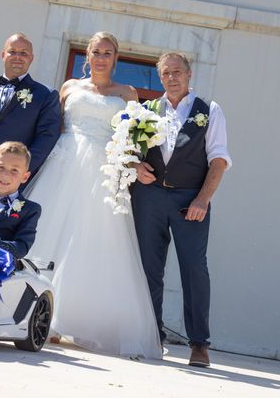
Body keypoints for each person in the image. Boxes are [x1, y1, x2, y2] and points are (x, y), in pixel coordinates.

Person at [24, 32, 162, 359]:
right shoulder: (70, 87)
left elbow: (130, 140)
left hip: (103, 169)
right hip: (64, 163)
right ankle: (44, 317)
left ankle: (76, 319)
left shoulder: (128, 93)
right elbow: (54, 129)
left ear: (116, 58)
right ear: (87, 55)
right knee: (50, 233)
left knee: (92, 243)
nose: (101, 57)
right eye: (96, 51)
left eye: (108, 52)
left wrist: (135, 164)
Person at [131, 52, 231, 368]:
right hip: (149, 197)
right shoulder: (147, 111)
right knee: (148, 267)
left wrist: (203, 199)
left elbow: (219, 159)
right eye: (165, 73)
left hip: (190, 199)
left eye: (177, 72)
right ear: (160, 78)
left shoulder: (210, 111)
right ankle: (152, 336)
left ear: (189, 74)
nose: (171, 78)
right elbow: (129, 152)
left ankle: (199, 344)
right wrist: (136, 167)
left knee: (194, 269)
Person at [0, 33, 61, 194]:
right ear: (3, 55)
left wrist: (16, 174)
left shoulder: (45, 96)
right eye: (12, 51)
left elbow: (46, 139)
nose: (17, 57)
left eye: (23, 53)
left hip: (13, 185)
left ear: (31, 58)